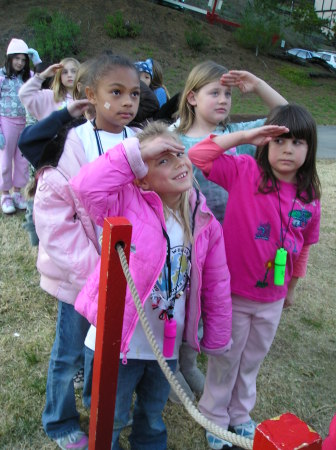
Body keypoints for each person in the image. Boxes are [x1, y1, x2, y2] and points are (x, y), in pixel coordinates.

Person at [70, 121, 232, 450]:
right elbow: (85, 186)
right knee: (109, 416)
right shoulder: (124, 203)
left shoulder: (203, 219)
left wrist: (216, 337)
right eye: (163, 159)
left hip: (165, 346)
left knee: (153, 414)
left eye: (179, 154)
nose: (178, 163)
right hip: (118, 344)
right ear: (140, 174)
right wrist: (139, 152)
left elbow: (216, 284)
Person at [19, 53, 141, 450]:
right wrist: (97, 273)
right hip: (81, 277)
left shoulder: (138, 140)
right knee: (69, 354)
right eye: (117, 92)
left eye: (135, 94)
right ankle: (58, 420)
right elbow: (55, 219)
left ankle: (99, 415)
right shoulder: (72, 143)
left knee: (102, 355)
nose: (127, 102)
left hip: (123, 276)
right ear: (91, 95)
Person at [188, 103, 321, 449]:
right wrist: (247, 136)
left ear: (310, 148)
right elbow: (201, 155)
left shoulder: (310, 199)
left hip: (272, 300)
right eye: (278, 141)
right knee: (225, 358)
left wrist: (291, 287)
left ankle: (240, 415)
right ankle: (215, 418)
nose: (287, 149)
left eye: (297, 142)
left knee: (251, 361)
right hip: (232, 293)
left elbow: (304, 246)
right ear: (264, 144)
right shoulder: (245, 171)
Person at [169, 60, 288, 404]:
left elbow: (285, 114)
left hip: (226, 246)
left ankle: (189, 362)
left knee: (208, 306)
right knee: (179, 305)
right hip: (185, 239)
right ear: (191, 97)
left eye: (228, 94)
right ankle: (172, 365)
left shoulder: (243, 137)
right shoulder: (173, 138)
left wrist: (258, 83)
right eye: (214, 92)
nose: (223, 100)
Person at [0, 38, 41, 214]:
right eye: (16, 58)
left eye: (23, 60)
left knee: (22, 160)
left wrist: (37, 62)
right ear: (9, 59)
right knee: (5, 160)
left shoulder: (29, 76)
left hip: (25, 122)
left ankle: (18, 192)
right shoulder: (1, 77)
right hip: (6, 122)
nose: (20, 63)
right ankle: (5, 194)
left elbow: (44, 80)